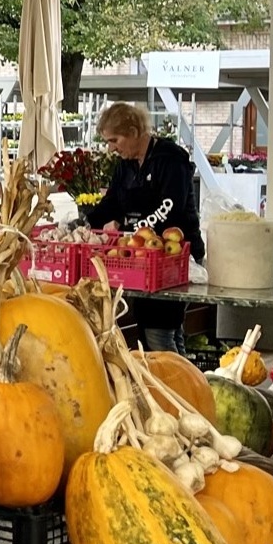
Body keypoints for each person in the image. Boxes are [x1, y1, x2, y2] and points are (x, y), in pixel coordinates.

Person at [87, 102, 205, 355]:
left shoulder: (171, 159)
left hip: (175, 257)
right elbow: (113, 202)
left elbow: (169, 208)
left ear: (133, 131)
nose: (111, 148)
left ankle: (179, 389)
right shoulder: (126, 165)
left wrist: (134, 231)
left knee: (159, 334)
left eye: (114, 140)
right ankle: (187, 388)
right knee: (165, 332)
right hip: (142, 259)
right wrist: (86, 225)